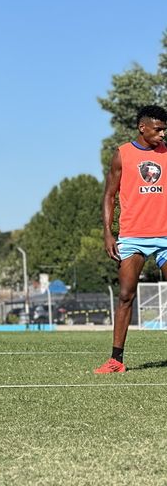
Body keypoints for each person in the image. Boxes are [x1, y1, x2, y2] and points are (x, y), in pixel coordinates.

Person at [95, 105, 167, 374]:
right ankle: (116, 360)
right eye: (158, 129)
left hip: (165, 235)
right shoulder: (122, 154)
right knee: (125, 296)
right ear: (142, 127)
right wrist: (107, 231)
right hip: (133, 236)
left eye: (164, 130)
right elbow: (109, 195)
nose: (162, 134)